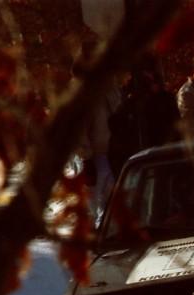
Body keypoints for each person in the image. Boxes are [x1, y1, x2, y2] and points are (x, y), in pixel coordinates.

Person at [108, 57, 180, 179]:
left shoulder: (165, 100)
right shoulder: (129, 105)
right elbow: (116, 130)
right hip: (142, 164)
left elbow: (177, 130)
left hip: (166, 159)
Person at [74, 45, 122, 228]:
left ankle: (112, 235)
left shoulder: (110, 87)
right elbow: (79, 131)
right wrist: (86, 158)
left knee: (113, 201)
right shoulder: (82, 93)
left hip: (113, 152)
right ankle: (93, 239)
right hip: (94, 156)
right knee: (93, 204)